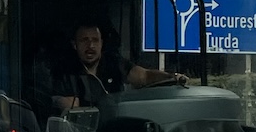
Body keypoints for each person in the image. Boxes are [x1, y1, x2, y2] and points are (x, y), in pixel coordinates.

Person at [53, 22, 187, 113]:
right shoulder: (64, 70)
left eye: (95, 40)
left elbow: (144, 76)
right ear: (74, 45)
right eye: (84, 40)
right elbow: (71, 108)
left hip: (117, 125)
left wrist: (172, 77)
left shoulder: (114, 63)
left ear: (102, 43)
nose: (91, 46)